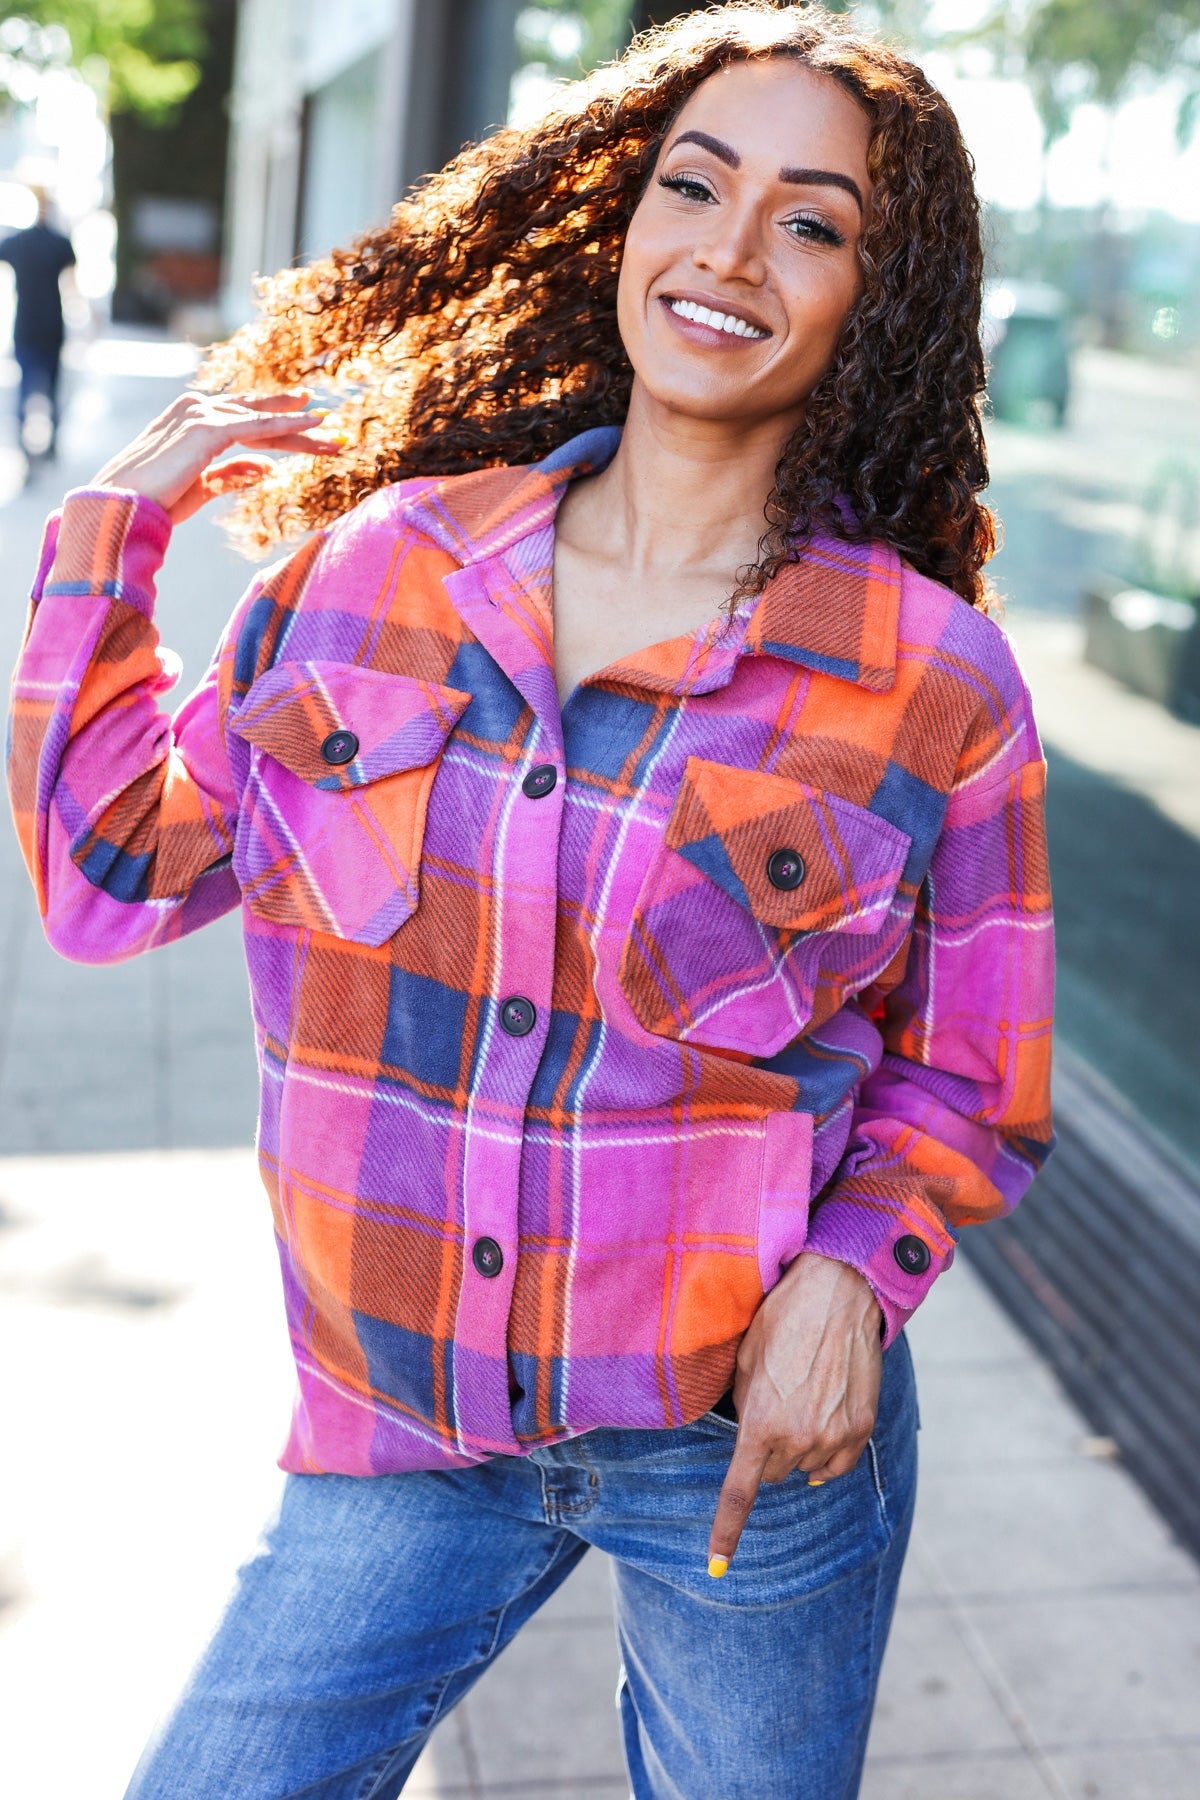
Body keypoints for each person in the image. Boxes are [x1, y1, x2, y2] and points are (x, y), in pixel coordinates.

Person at [7, 5, 1055, 1795]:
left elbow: (974, 1077)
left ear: (871, 300)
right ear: (622, 219)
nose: (729, 251)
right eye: (693, 185)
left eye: (811, 220)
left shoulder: (931, 681)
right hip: (403, 1422)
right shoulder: (386, 568)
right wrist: (113, 525)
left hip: (739, 1448)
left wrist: (855, 1283)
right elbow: (111, 875)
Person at [0, 186, 75, 460]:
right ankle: (51, 441)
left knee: (25, 383)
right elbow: (71, 285)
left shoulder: (15, 242)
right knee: (52, 386)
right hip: (52, 323)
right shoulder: (60, 243)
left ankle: (22, 439)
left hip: (26, 323)